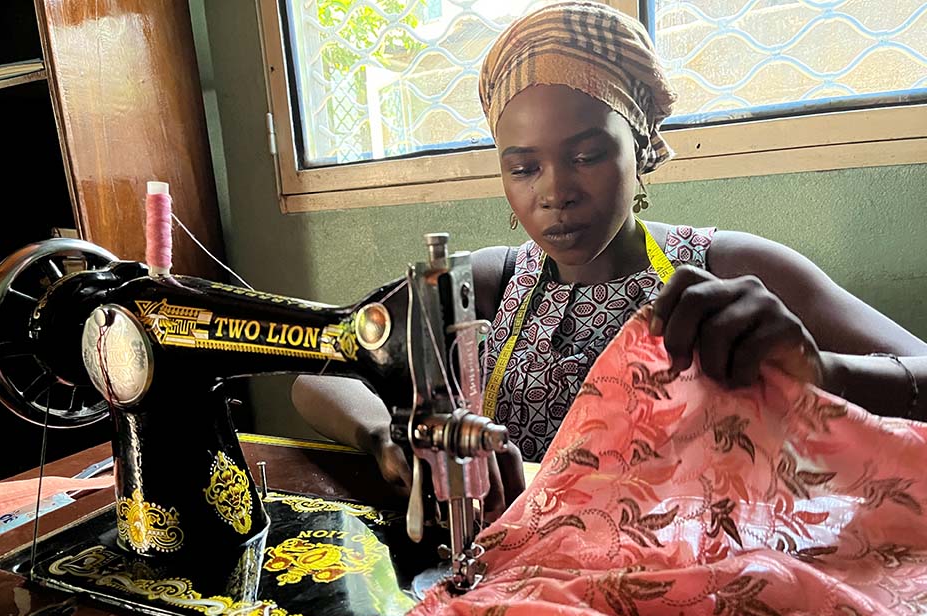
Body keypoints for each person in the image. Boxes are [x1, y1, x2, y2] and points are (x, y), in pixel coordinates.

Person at [293, 1, 927, 508]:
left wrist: (822, 372)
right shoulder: (490, 281)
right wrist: (388, 435)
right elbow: (320, 370)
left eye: (587, 155)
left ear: (643, 146)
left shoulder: (729, 270)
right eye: (523, 167)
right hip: (530, 586)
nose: (555, 192)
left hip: (682, 591)